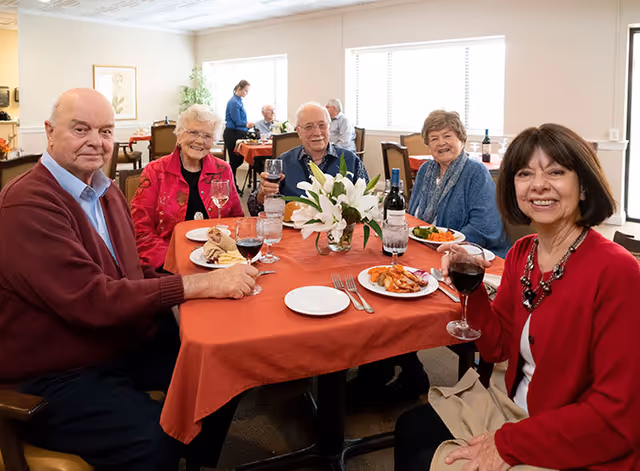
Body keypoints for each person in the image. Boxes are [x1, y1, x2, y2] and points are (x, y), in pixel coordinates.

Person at [0, 88, 258, 471]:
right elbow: (93, 300)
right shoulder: (28, 205)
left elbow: (130, 271)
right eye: (81, 129)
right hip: (54, 372)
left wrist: (196, 280)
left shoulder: (103, 192)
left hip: (117, 340)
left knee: (221, 366)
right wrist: (197, 286)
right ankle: (171, 454)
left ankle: (196, 461)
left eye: (105, 131)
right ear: (50, 132)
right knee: (154, 439)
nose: (96, 141)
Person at [394, 124, 640, 471]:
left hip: (572, 435)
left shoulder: (616, 271)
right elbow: (496, 350)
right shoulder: (523, 253)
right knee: (410, 428)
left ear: (583, 186)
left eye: (556, 171)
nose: (538, 184)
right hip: (511, 407)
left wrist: (508, 445)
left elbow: (618, 416)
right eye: (525, 173)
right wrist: (474, 288)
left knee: (430, 460)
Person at [131, 104, 244, 270]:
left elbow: (237, 220)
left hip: (217, 261)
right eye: (193, 132)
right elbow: (140, 230)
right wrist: (175, 263)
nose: (199, 141)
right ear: (179, 134)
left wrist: (225, 257)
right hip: (168, 264)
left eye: (207, 136)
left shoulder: (223, 170)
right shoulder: (155, 171)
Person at [408, 110, 511, 258]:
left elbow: (484, 226)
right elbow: (413, 216)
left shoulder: (476, 172)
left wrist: (446, 244)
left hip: (470, 255)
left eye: (447, 136)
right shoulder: (425, 170)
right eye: (434, 139)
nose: (441, 143)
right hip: (425, 248)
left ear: (461, 140)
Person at [247, 102, 368, 216]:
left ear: (329, 127)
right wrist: (263, 194)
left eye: (322, 125)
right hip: (294, 234)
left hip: (338, 235)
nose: (317, 132)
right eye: (309, 127)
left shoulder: (351, 160)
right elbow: (253, 208)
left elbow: (368, 203)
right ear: (298, 132)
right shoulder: (283, 162)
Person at [224, 79, 254, 186]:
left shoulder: (239, 101)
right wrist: (247, 124)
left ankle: (231, 182)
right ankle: (231, 183)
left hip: (239, 133)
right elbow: (237, 121)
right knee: (234, 160)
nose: (246, 93)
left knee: (239, 160)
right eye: (245, 91)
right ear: (239, 88)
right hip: (233, 133)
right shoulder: (233, 102)